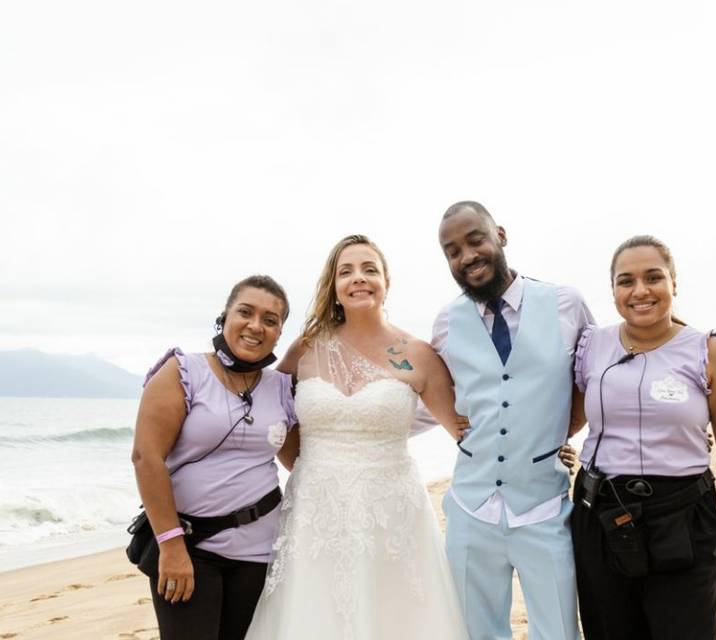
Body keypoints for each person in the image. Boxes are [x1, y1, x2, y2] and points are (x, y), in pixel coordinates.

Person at [244, 235, 469, 640]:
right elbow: (270, 414)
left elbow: (463, 429)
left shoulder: (417, 354)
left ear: (386, 281)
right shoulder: (307, 349)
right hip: (316, 510)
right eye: (345, 271)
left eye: (369, 269)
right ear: (333, 286)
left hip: (392, 515)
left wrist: (544, 441)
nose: (358, 279)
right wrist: (316, 472)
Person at [569, 235, 716, 640]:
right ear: (613, 290)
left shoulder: (708, 351)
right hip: (600, 516)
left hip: (684, 520)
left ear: (674, 283)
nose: (640, 291)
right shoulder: (591, 345)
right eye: (625, 281)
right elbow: (571, 417)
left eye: (653, 277)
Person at [433, 201, 593, 640]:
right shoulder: (447, 322)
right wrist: (454, 429)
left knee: (559, 631)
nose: (466, 256)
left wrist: (561, 432)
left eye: (475, 240)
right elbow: (433, 391)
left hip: (544, 505)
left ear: (499, 235)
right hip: (469, 506)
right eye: (452, 251)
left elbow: (595, 378)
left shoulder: (565, 303)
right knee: (474, 632)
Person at [131, 275, 298, 640]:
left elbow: (299, 461)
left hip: (260, 552)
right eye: (246, 312)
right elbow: (146, 458)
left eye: (270, 320)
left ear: (279, 333)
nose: (256, 326)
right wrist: (171, 545)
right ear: (224, 317)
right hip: (190, 548)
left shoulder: (283, 389)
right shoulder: (182, 371)